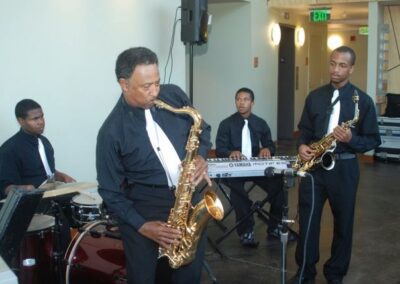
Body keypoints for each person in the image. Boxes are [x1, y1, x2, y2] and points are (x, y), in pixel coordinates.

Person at [96, 47, 212, 284]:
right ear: (124, 84)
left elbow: (203, 130)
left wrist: (200, 157)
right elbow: (110, 191)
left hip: (189, 200)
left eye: (157, 83)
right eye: (146, 86)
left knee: (188, 276)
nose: (155, 92)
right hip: (146, 211)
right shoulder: (111, 131)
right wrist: (142, 226)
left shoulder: (174, 96)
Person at [292, 46, 381, 284]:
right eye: (333, 63)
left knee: (344, 224)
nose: (336, 69)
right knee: (308, 222)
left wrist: (351, 139)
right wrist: (302, 146)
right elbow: (305, 131)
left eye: (342, 65)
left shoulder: (363, 101)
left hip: (344, 168)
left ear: (351, 68)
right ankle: (304, 273)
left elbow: (373, 139)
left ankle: (335, 274)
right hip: (314, 168)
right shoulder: (315, 96)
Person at [215, 87, 293, 247]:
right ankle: (246, 231)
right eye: (238, 99)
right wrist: (231, 152)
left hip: (257, 168)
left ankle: (275, 227)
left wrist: (267, 149)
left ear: (252, 103)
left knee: (278, 187)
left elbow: (271, 146)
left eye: (245, 99)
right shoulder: (226, 124)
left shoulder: (261, 123)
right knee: (238, 193)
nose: (241, 103)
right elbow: (219, 149)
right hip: (235, 170)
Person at [0, 99, 76, 199]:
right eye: (35, 119)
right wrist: (25, 188)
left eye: (42, 117)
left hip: (49, 200)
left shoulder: (44, 142)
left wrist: (61, 176)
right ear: (21, 121)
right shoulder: (9, 149)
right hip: (28, 205)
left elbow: (47, 172)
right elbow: (4, 188)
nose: (41, 122)